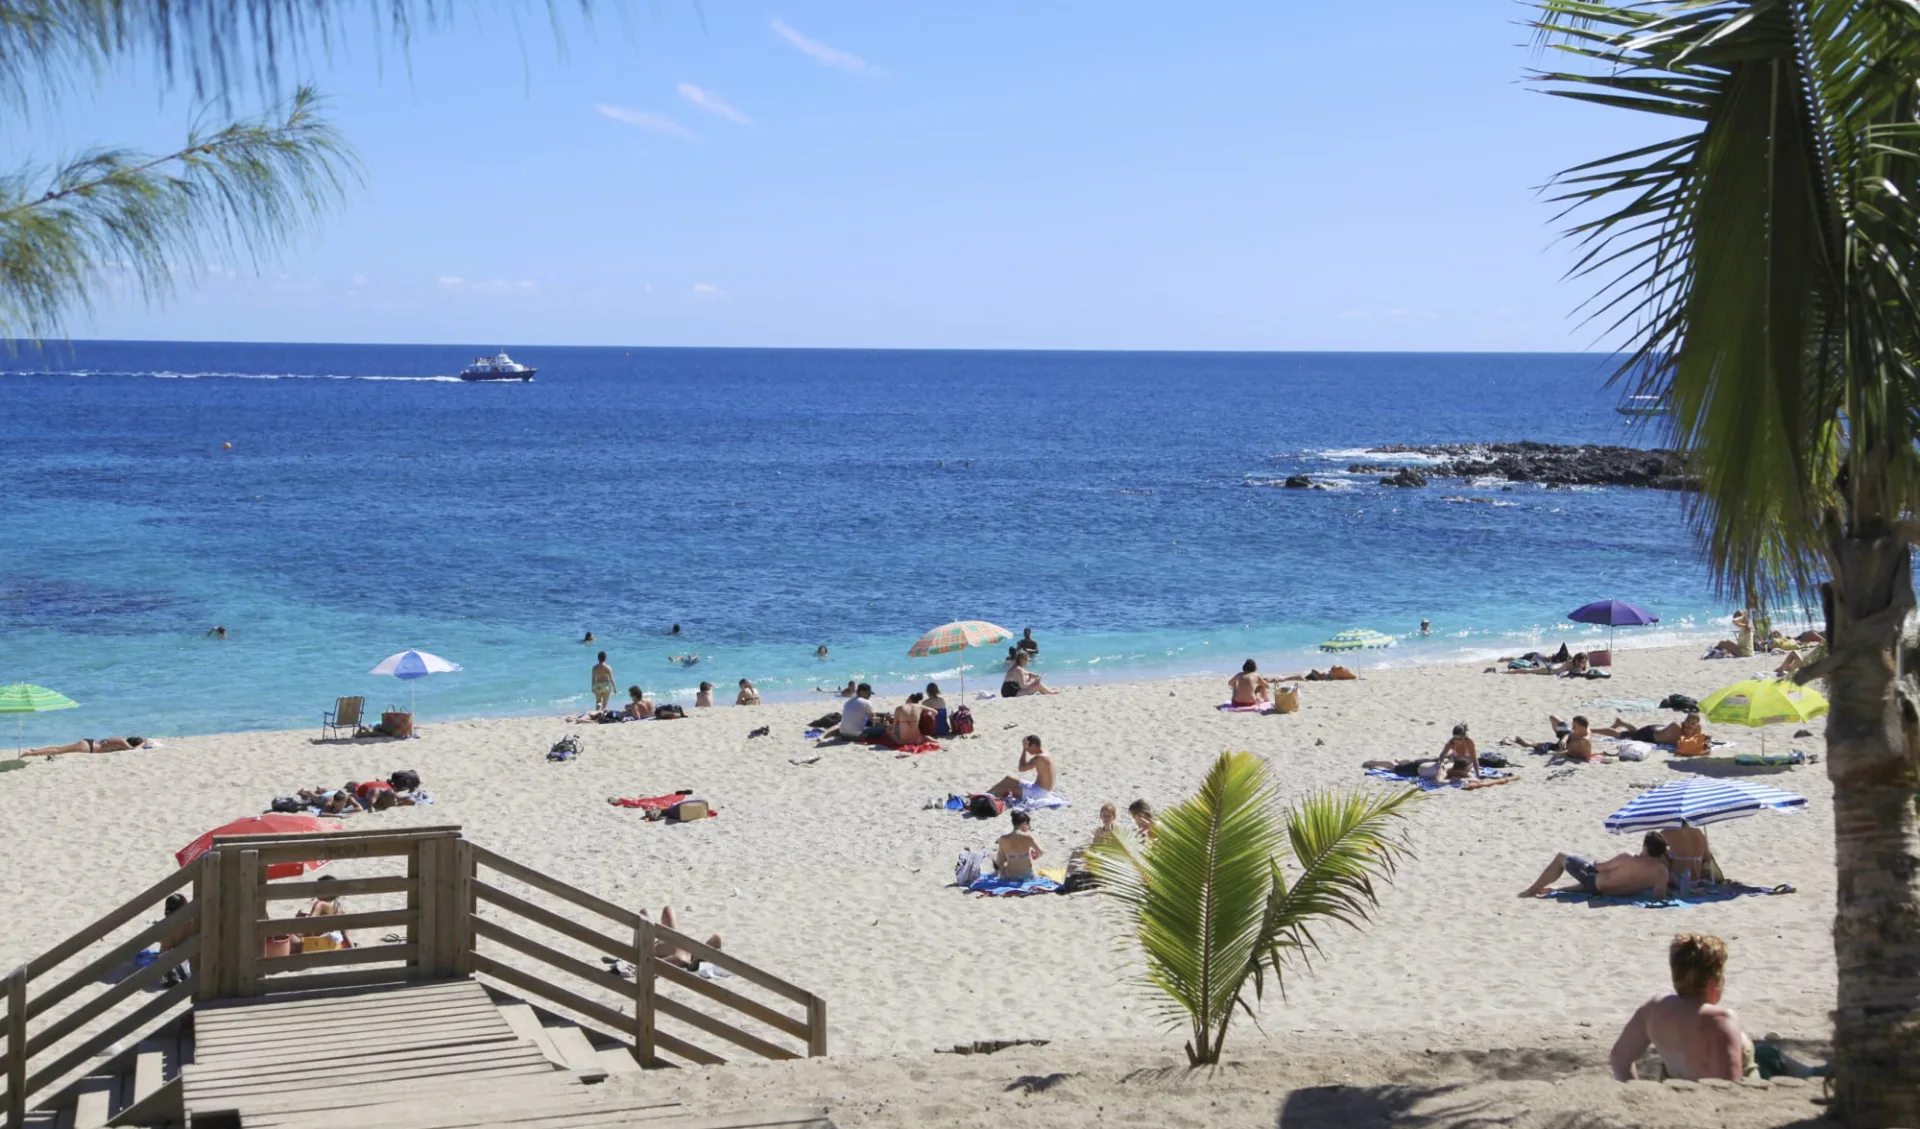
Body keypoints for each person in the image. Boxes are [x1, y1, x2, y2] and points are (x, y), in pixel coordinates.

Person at [1609, 933, 1752, 1082]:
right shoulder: (1721, 1020)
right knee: (1768, 1054)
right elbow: (1730, 1086)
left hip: (1675, 1089)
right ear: (1713, 982)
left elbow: (1619, 1059)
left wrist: (1636, 1094)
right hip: (1711, 1098)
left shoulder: (1653, 1008)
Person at [1518, 831, 1671, 899]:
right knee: (1591, 881)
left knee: (1561, 857)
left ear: (1645, 847)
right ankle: (1555, 889)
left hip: (1597, 885)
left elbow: (1600, 868)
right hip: (1618, 893)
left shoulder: (1629, 858)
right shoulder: (1661, 871)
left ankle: (1532, 890)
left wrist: (1597, 862)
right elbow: (1659, 895)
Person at [651, 905, 723, 970]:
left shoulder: (683, 958)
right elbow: (716, 938)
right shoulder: (687, 953)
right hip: (675, 945)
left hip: (663, 949)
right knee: (668, 909)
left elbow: (678, 959)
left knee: (646, 913)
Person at [987, 735, 1056, 802]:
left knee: (1004, 789)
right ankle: (985, 795)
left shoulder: (1039, 758)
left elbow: (1021, 768)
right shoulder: (1045, 753)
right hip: (1038, 788)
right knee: (1008, 779)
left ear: (1033, 746)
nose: (1028, 750)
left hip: (1039, 793)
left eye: (1028, 748)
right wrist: (1026, 748)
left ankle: (985, 797)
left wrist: (1024, 750)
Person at [297, 874, 351, 950]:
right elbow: (344, 934)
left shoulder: (320, 904)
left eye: (318, 889)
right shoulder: (340, 909)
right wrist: (352, 949)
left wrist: (299, 918)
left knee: (287, 935)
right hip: (331, 944)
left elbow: (309, 924)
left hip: (316, 944)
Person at [994, 811, 1043, 880]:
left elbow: (1000, 861)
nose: (1028, 827)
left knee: (1000, 855)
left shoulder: (1003, 839)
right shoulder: (1027, 837)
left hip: (1010, 877)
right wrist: (1034, 856)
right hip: (1027, 877)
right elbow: (1041, 852)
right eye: (1028, 825)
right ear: (1024, 823)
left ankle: (996, 874)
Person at [27, 736, 149, 756]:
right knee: (59, 750)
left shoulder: (120, 740)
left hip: (89, 743)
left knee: (60, 748)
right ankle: (32, 753)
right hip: (89, 747)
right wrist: (144, 742)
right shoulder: (122, 742)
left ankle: (36, 750)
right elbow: (132, 750)